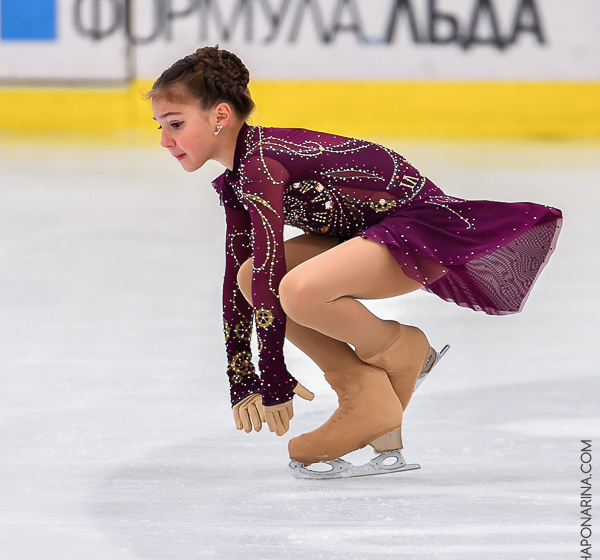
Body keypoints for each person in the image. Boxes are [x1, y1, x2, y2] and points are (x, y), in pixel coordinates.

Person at [148, 46, 562, 472]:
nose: (165, 140)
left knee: (295, 288)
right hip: (362, 238)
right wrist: (243, 378)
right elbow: (246, 276)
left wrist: (272, 376)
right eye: (161, 127)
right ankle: (367, 395)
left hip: (416, 232)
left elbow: (276, 274)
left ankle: (401, 353)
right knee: (247, 276)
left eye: (175, 125)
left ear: (220, 116)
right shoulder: (238, 179)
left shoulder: (261, 163)